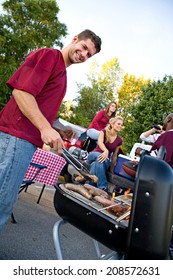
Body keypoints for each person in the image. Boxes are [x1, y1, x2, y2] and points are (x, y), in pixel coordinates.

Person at [0, 29, 102, 234]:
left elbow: (36, 106)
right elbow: (21, 91)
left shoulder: (62, 74)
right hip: (15, 138)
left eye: (89, 54)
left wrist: (54, 129)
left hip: (23, 141)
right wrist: (44, 127)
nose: (83, 55)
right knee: (2, 202)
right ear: (75, 39)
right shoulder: (50, 56)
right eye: (83, 47)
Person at [86, 116, 123, 191]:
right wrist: (106, 151)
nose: (120, 126)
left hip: (105, 160)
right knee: (100, 157)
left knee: (96, 164)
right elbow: (100, 143)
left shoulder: (119, 140)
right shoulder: (103, 132)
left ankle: (88, 185)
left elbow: (114, 156)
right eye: (118, 124)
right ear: (112, 124)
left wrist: (112, 170)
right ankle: (103, 186)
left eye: (121, 125)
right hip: (94, 155)